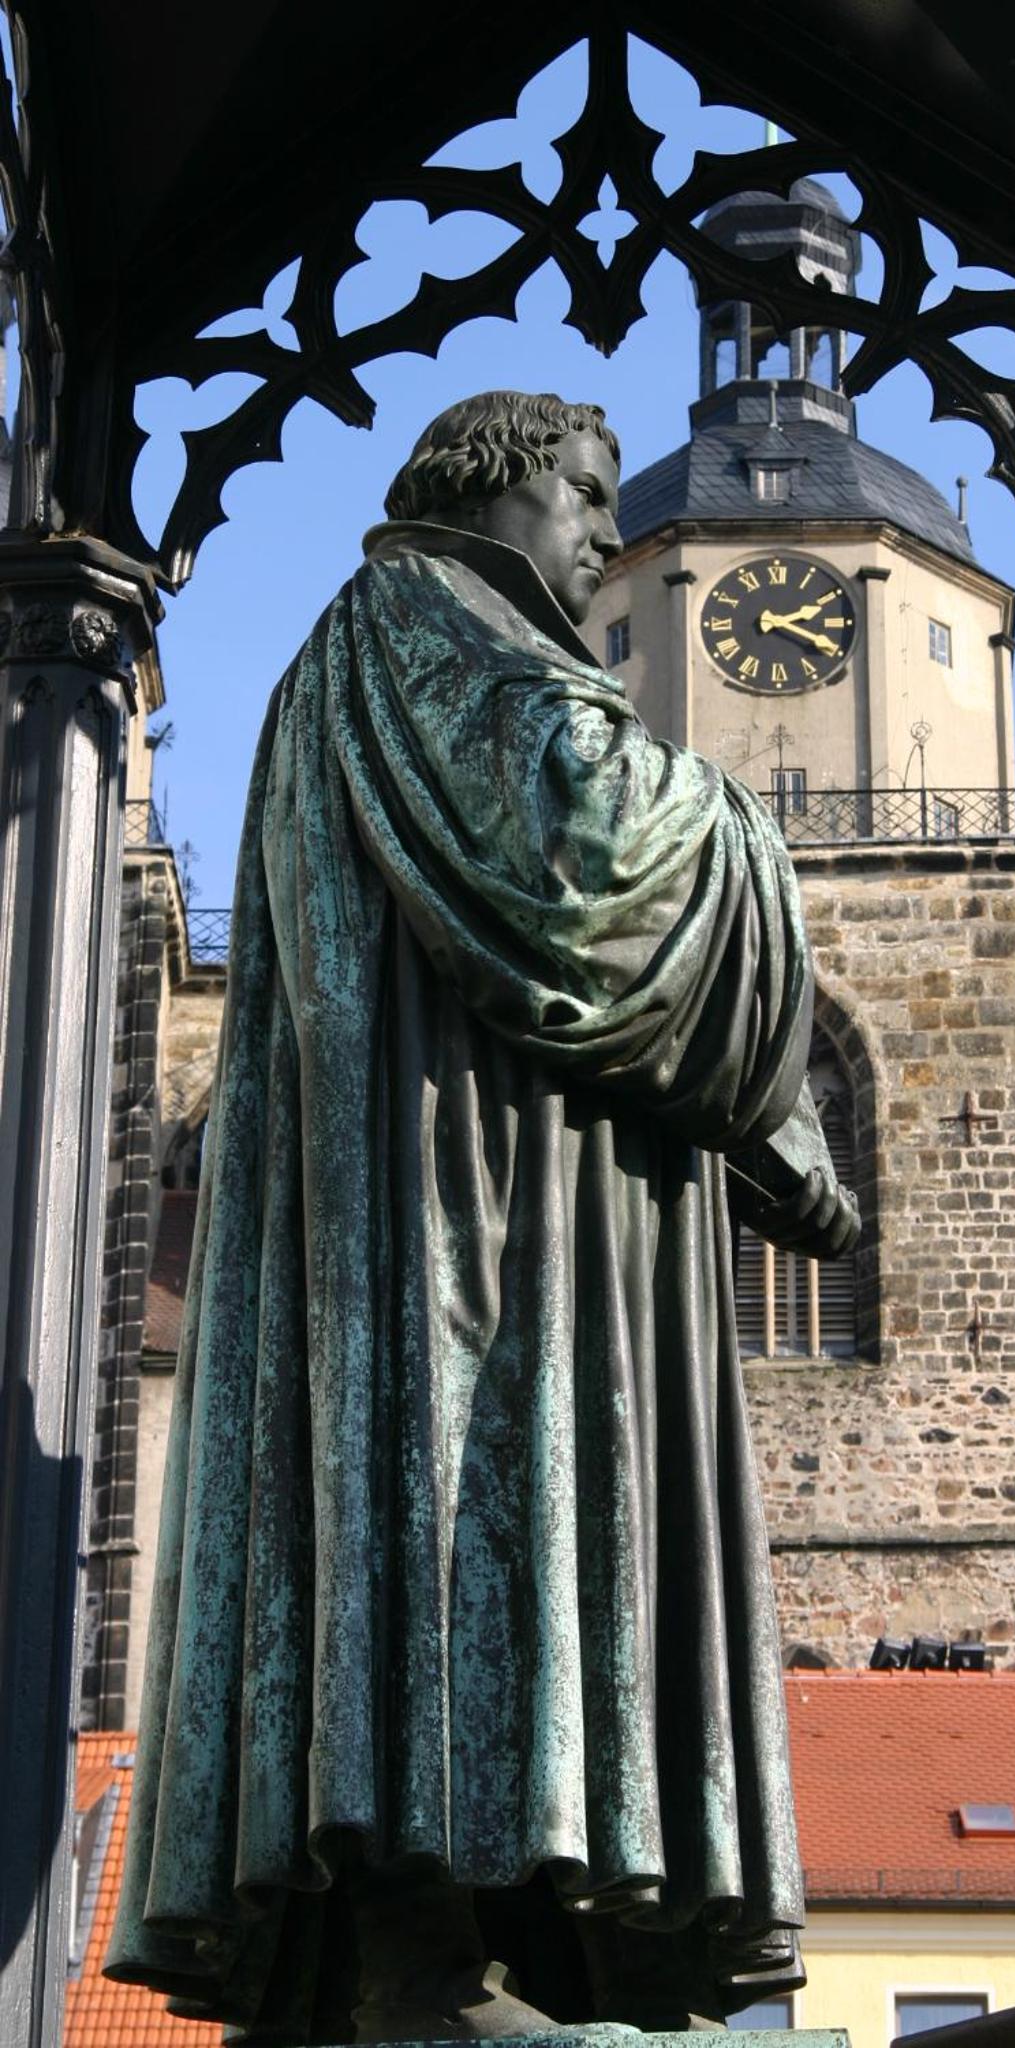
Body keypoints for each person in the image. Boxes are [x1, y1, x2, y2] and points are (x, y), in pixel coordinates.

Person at [107, 391, 858, 2044]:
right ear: (485, 482)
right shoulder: (416, 630)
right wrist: (752, 875)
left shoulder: (439, 656)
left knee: (537, 1543)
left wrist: (759, 1101)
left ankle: (533, 1950)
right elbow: (587, 850)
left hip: (527, 1182)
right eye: (584, 494)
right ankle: (424, 1962)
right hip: (465, 1204)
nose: (605, 533)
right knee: (462, 1522)